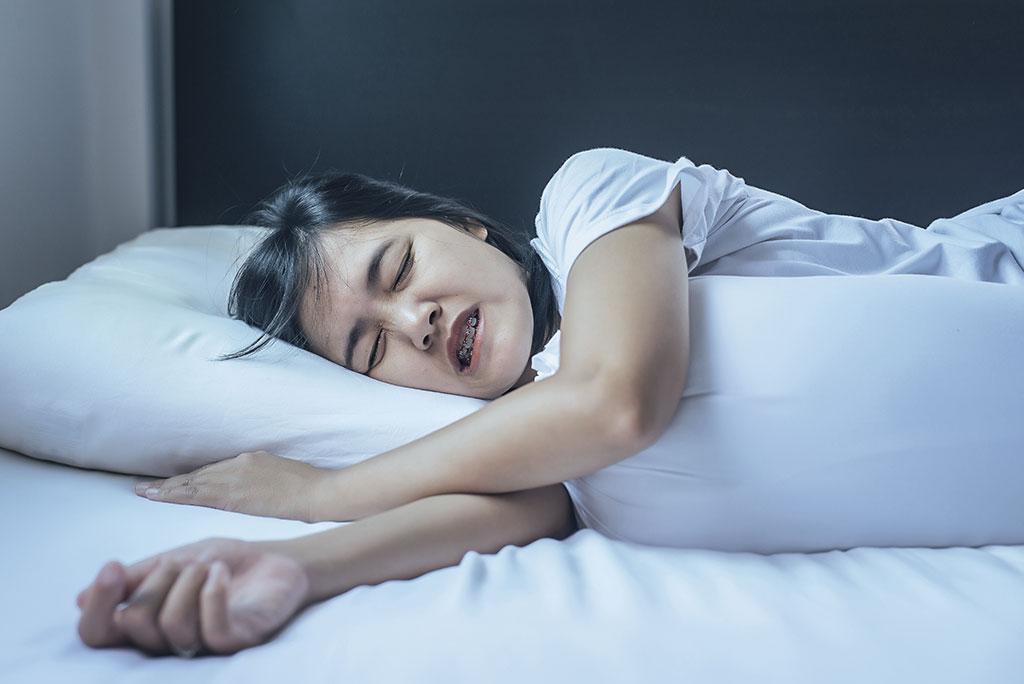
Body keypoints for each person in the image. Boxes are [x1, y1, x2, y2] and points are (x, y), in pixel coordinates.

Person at [76, 148, 1024, 657]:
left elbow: (615, 404)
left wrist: (323, 492)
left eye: (402, 267)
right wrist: (291, 570)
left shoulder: (594, 202)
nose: (414, 321)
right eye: (369, 348)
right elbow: (511, 509)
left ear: (466, 227)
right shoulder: (541, 461)